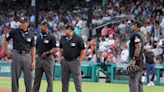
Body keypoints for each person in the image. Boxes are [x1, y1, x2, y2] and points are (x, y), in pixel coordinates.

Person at [3, 17, 36, 92]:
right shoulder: (14, 31)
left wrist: (33, 61)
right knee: (14, 78)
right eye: (20, 22)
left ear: (27, 24)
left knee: (29, 79)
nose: (21, 24)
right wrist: (6, 51)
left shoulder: (31, 34)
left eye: (23, 22)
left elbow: (33, 48)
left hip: (27, 56)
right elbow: (5, 38)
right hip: (16, 55)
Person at [59, 25, 86, 92]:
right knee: (64, 81)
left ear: (70, 30)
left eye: (66, 30)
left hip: (74, 61)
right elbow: (60, 48)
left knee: (77, 81)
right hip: (65, 61)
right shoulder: (63, 38)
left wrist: (80, 60)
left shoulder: (78, 38)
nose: (64, 31)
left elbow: (83, 50)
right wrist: (60, 57)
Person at [33, 21, 57, 92]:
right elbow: (36, 48)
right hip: (39, 58)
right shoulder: (38, 37)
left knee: (49, 80)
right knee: (36, 79)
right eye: (40, 25)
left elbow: (55, 49)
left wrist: (47, 53)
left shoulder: (52, 36)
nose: (40, 27)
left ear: (46, 27)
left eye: (42, 26)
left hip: (48, 59)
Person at [128, 21, 145, 92]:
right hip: (141, 60)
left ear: (136, 26)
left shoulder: (135, 35)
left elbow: (138, 47)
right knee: (139, 82)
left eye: (132, 25)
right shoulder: (141, 34)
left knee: (133, 81)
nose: (131, 26)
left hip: (137, 61)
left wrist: (134, 59)